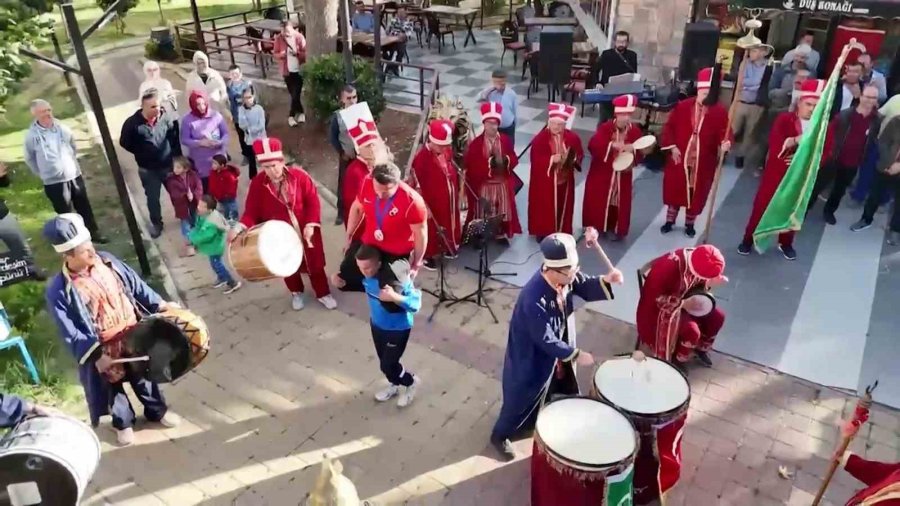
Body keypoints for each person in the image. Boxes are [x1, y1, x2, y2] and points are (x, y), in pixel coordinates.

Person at [43, 214, 180, 446]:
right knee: (113, 388)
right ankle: (123, 423)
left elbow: (136, 285)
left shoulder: (108, 262)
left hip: (133, 333)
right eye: (84, 250)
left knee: (143, 375)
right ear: (68, 255)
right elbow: (69, 329)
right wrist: (96, 355)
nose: (92, 252)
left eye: (90, 246)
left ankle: (157, 411)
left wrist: (161, 304)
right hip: (104, 346)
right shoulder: (59, 290)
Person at [490, 230, 622, 460]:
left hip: (553, 353)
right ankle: (500, 435)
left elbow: (580, 283)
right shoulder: (534, 299)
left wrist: (606, 280)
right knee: (521, 395)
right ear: (552, 270)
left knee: (550, 387)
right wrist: (575, 353)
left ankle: (533, 418)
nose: (575, 274)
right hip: (530, 356)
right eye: (571, 271)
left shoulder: (563, 277)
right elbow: (545, 339)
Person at [232, 137, 337, 311]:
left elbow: (313, 201)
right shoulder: (258, 184)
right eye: (266, 167)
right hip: (279, 236)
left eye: (274, 165)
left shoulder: (299, 176)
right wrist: (239, 227)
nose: (272, 171)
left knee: (315, 265)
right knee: (287, 266)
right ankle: (296, 292)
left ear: (281, 161)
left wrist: (311, 224)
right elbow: (251, 212)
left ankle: (323, 293)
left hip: (305, 230)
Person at [739, 79, 827, 259]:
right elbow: (776, 143)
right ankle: (748, 240)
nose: (811, 109)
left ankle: (786, 242)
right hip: (776, 175)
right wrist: (797, 141)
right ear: (799, 103)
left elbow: (826, 151)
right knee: (762, 208)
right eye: (808, 104)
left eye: (816, 105)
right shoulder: (784, 120)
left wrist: (811, 162)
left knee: (793, 211)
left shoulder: (822, 127)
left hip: (801, 178)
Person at [660, 67, 731, 237]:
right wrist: (672, 147)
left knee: (696, 193)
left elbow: (725, 132)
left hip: (703, 161)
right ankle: (670, 221)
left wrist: (725, 143)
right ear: (699, 90)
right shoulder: (683, 106)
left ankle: (689, 224)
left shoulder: (719, 111)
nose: (706, 96)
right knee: (675, 190)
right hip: (681, 157)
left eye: (709, 93)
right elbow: (669, 127)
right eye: (704, 92)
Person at [24, 99, 107, 243]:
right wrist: (44, 173)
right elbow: (29, 159)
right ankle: (73, 240)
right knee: (65, 213)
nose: (48, 113)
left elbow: (73, 147)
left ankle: (93, 234)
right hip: (53, 182)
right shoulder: (31, 136)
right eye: (43, 111)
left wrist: (70, 164)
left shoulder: (62, 128)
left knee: (84, 207)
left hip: (74, 176)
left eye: (49, 110)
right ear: (35, 114)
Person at [636, 244, 728, 373]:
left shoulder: (698, 259)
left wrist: (709, 283)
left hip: (687, 297)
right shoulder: (667, 268)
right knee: (692, 331)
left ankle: (700, 348)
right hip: (659, 311)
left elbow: (699, 282)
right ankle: (677, 360)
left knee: (718, 317)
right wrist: (683, 304)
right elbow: (656, 298)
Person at [354, 244, 421, 407]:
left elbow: (415, 304)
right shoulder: (365, 277)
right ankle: (395, 383)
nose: (364, 272)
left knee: (388, 364)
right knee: (384, 364)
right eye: (360, 267)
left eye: (368, 267)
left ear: (378, 264)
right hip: (377, 325)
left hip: (397, 329)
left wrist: (394, 297)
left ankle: (410, 382)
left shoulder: (396, 279)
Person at [343, 163, 428, 282]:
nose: (380, 195)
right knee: (343, 277)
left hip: (398, 251)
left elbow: (420, 234)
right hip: (371, 242)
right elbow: (357, 208)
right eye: (377, 189)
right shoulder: (366, 182)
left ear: (397, 184)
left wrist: (417, 263)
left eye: (386, 191)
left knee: (390, 292)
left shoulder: (413, 202)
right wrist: (349, 236)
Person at [810, 85, 882, 224]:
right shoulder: (845, 115)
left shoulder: (876, 119)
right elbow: (829, 133)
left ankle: (829, 211)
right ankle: (804, 209)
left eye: (873, 98)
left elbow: (872, 138)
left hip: (853, 162)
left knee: (839, 190)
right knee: (818, 185)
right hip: (834, 158)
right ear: (861, 97)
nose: (869, 100)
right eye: (867, 96)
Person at [120, 88, 183, 239]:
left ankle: (185, 217)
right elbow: (125, 142)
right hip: (148, 170)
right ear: (143, 107)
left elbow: (174, 138)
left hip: (167, 165)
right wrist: (141, 152)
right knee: (153, 198)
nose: (157, 109)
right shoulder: (132, 124)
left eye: (158, 105)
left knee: (177, 193)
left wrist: (177, 159)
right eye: (152, 107)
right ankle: (157, 224)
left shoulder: (166, 118)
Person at [583, 94, 643, 241]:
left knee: (617, 202)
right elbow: (593, 146)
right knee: (600, 199)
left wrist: (633, 151)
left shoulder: (635, 132)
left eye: (628, 114)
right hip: (603, 173)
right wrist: (611, 145)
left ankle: (614, 227)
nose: (626, 118)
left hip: (622, 175)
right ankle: (597, 226)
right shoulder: (605, 128)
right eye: (623, 114)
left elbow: (641, 152)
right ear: (617, 113)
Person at [463, 102, 521, 240]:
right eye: (489, 123)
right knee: (484, 208)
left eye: (495, 123)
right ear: (484, 124)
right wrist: (490, 165)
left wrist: (505, 161)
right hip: (485, 183)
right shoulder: (476, 144)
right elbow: (472, 167)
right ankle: (482, 231)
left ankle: (500, 230)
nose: (493, 126)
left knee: (502, 206)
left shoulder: (505, 140)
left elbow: (513, 157)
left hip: (502, 181)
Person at [409, 120, 462, 270]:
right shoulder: (421, 160)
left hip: (447, 199)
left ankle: (447, 246)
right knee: (432, 228)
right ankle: (428, 256)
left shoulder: (446, 151)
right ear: (432, 141)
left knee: (448, 221)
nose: (445, 148)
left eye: (446, 145)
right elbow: (417, 185)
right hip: (431, 202)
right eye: (441, 145)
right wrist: (424, 205)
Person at [528, 103, 584, 239]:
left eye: (560, 124)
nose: (556, 127)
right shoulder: (540, 139)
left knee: (563, 207)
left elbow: (579, 154)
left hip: (564, 180)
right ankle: (542, 232)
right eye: (553, 123)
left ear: (565, 125)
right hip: (546, 182)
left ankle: (561, 230)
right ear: (549, 122)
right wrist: (552, 159)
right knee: (544, 206)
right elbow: (536, 160)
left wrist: (571, 158)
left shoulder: (572, 138)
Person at [850, 115, 900, 245]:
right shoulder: (895, 121)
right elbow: (883, 141)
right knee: (874, 195)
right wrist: (889, 163)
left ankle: (896, 230)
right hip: (885, 166)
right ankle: (866, 219)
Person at [189, 195, 242, 294]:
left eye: (202, 206)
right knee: (214, 263)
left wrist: (192, 238)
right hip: (213, 246)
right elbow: (199, 225)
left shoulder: (211, 222)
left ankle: (232, 282)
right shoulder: (205, 215)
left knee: (217, 265)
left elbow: (206, 236)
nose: (198, 207)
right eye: (199, 205)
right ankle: (221, 278)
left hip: (215, 247)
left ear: (209, 209)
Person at [0, 162, 43, 279]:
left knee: (20, 246)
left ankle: (31, 270)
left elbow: (5, 184)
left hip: (2, 215)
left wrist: (3, 175)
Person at [181, 90, 229, 192]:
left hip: (218, 160)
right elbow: (185, 140)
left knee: (222, 191)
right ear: (192, 105)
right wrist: (200, 143)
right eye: (198, 104)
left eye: (203, 103)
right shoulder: (187, 120)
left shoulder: (216, 116)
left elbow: (225, 134)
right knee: (207, 191)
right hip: (201, 164)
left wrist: (219, 142)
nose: (202, 107)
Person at [731, 45, 768, 169]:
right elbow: (742, 82)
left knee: (750, 133)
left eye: (755, 51)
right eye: (751, 50)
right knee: (732, 129)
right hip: (741, 102)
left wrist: (752, 84)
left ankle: (740, 157)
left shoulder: (767, 67)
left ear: (763, 53)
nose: (751, 53)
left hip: (756, 105)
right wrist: (754, 84)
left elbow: (763, 83)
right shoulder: (745, 63)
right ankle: (722, 154)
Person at [330, 85, 359, 225]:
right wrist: (342, 153)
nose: (352, 101)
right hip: (347, 157)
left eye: (354, 97)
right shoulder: (338, 117)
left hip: (362, 157)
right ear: (342, 99)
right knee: (343, 184)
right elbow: (333, 137)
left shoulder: (362, 113)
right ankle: (341, 213)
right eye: (349, 98)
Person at [165, 157, 203, 257]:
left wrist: (194, 195)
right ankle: (189, 246)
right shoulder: (171, 180)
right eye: (174, 167)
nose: (175, 170)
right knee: (185, 225)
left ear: (185, 169)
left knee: (197, 222)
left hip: (194, 204)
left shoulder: (193, 175)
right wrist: (186, 195)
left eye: (178, 167)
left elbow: (199, 186)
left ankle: (198, 242)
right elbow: (174, 193)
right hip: (182, 206)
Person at [597, 31, 638, 120]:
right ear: (614, 42)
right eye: (619, 41)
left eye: (624, 42)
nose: (621, 44)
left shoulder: (632, 55)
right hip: (607, 91)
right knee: (603, 120)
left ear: (627, 43)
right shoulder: (606, 54)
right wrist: (598, 83)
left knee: (620, 119)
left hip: (623, 92)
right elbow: (595, 70)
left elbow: (634, 73)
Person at [274, 20, 308, 126]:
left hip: (298, 70)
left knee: (296, 93)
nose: (286, 33)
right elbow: (275, 53)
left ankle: (291, 116)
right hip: (287, 71)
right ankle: (301, 112)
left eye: (287, 31)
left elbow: (306, 53)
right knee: (293, 94)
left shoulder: (299, 37)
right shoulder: (279, 39)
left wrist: (297, 53)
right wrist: (282, 55)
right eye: (283, 31)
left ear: (292, 28)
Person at [226, 65, 255, 166]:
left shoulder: (247, 84)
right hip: (237, 116)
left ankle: (256, 153)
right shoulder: (228, 87)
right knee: (241, 137)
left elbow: (254, 99)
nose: (235, 76)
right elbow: (228, 101)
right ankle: (246, 155)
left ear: (241, 74)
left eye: (237, 74)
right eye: (232, 74)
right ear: (229, 75)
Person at [477, 70, 518, 143]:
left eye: (502, 83)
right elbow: (480, 103)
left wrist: (514, 123)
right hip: (495, 128)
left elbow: (515, 110)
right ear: (493, 82)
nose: (500, 85)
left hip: (508, 127)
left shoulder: (511, 94)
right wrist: (486, 92)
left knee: (509, 147)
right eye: (497, 83)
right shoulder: (489, 93)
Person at [236, 87, 266, 180]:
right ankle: (254, 179)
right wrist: (249, 129)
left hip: (260, 139)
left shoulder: (259, 109)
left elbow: (261, 125)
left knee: (264, 160)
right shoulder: (241, 109)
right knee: (251, 162)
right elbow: (242, 124)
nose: (248, 100)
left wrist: (249, 130)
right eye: (245, 97)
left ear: (253, 96)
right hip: (249, 141)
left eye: (249, 97)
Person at [208, 154, 240, 222]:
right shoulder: (212, 172)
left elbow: (233, 186)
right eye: (212, 163)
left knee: (231, 210)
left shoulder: (229, 175)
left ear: (222, 165)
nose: (213, 165)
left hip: (227, 198)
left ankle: (232, 223)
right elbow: (212, 183)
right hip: (217, 198)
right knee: (223, 211)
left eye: (215, 163)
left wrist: (227, 195)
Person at [386, 6, 415, 75]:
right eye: (399, 12)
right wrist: (398, 33)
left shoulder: (409, 22)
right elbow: (389, 31)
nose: (400, 14)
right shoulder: (394, 20)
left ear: (405, 13)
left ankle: (393, 67)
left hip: (401, 42)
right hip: (391, 41)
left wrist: (398, 34)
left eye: (402, 12)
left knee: (401, 51)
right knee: (385, 51)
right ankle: (390, 66)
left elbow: (408, 33)